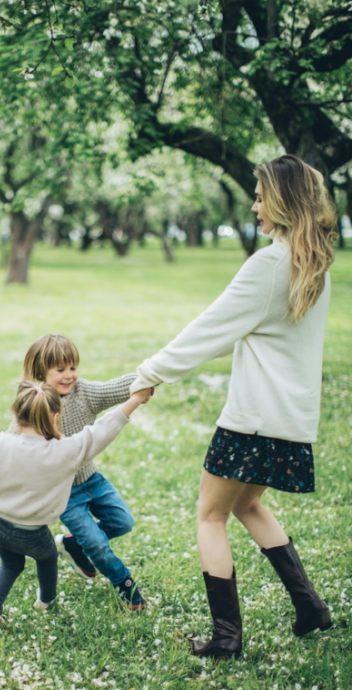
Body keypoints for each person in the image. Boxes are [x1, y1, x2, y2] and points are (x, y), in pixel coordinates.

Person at [130, 155, 336, 658]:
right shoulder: (314, 264)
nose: (254, 206)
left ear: (283, 202)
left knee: (210, 516)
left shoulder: (269, 265)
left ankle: (226, 638)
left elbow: (208, 328)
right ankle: (310, 608)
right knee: (247, 504)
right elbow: (238, 331)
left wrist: (149, 372)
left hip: (251, 421)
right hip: (289, 421)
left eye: (261, 197)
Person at [0, 380, 153, 632]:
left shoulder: (2, 444)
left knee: (10, 565)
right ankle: (46, 600)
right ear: (56, 418)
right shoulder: (65, 451)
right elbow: (100, 431)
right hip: (33, 533)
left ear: (16, 416)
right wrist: (135, 400)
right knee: (47, 559)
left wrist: (2, 437)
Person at [21, 334, 151, 611]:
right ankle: (124, 583)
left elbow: (116, 387)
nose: (69, 375)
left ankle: (73, 545)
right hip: (64, 493)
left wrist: (149, 377)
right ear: (40, 373)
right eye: (60, 370)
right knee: (97, 545)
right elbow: (18, 443)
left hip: (92, 480)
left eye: (73, 367)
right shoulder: (34, 404)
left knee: (123, 522)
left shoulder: (84, 393)